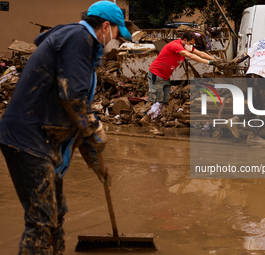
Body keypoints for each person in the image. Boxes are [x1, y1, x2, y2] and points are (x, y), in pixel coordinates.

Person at [0, 1, 131, 254]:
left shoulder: (82, 46)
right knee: (42, 221)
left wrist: (95, 163)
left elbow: (74, 117)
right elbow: (72, 96)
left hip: (43, 141)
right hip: (28, 139)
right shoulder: (78, 39)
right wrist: (94, 127)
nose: (114, 41)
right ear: (105, 26)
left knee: (56, 216)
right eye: (116, 34)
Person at [218, 24, 265, 145]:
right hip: (262, 76)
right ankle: (253, 136)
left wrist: (225, 65)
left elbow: (240, 58)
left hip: (250, 75)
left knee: (255, 104)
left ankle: (234, 120)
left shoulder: (259, 42)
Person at [141, 31, 220, 135]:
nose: (191, 46)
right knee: (161, 99)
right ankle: (151, 123)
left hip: (164, 76)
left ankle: (148, 118)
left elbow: (200, 53)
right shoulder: (175, 46)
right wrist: (209, 63)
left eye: (193, 44)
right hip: (156, 73)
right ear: (185, 40)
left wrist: (214, 59)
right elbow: (190, 56)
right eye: (190, 44)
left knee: (165, 100)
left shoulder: (186, 46)